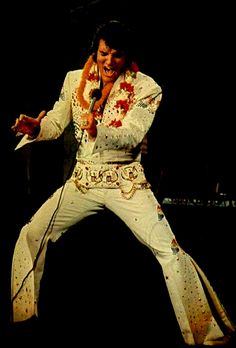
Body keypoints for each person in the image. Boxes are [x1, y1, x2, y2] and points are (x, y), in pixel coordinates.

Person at [10, 19, 235, 346]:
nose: (109, 62)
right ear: (96, 51)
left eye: (117, 55)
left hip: (125, 181)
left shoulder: (147, 88)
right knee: (29, 234)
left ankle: (206, 334)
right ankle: (24, 317)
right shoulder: (75, 80)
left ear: (126, 57)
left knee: (169, 251)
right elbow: (57, 122)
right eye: (104, 53)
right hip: (84, 180)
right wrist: (35, 129)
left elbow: (133, 134)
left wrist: (98, 131)